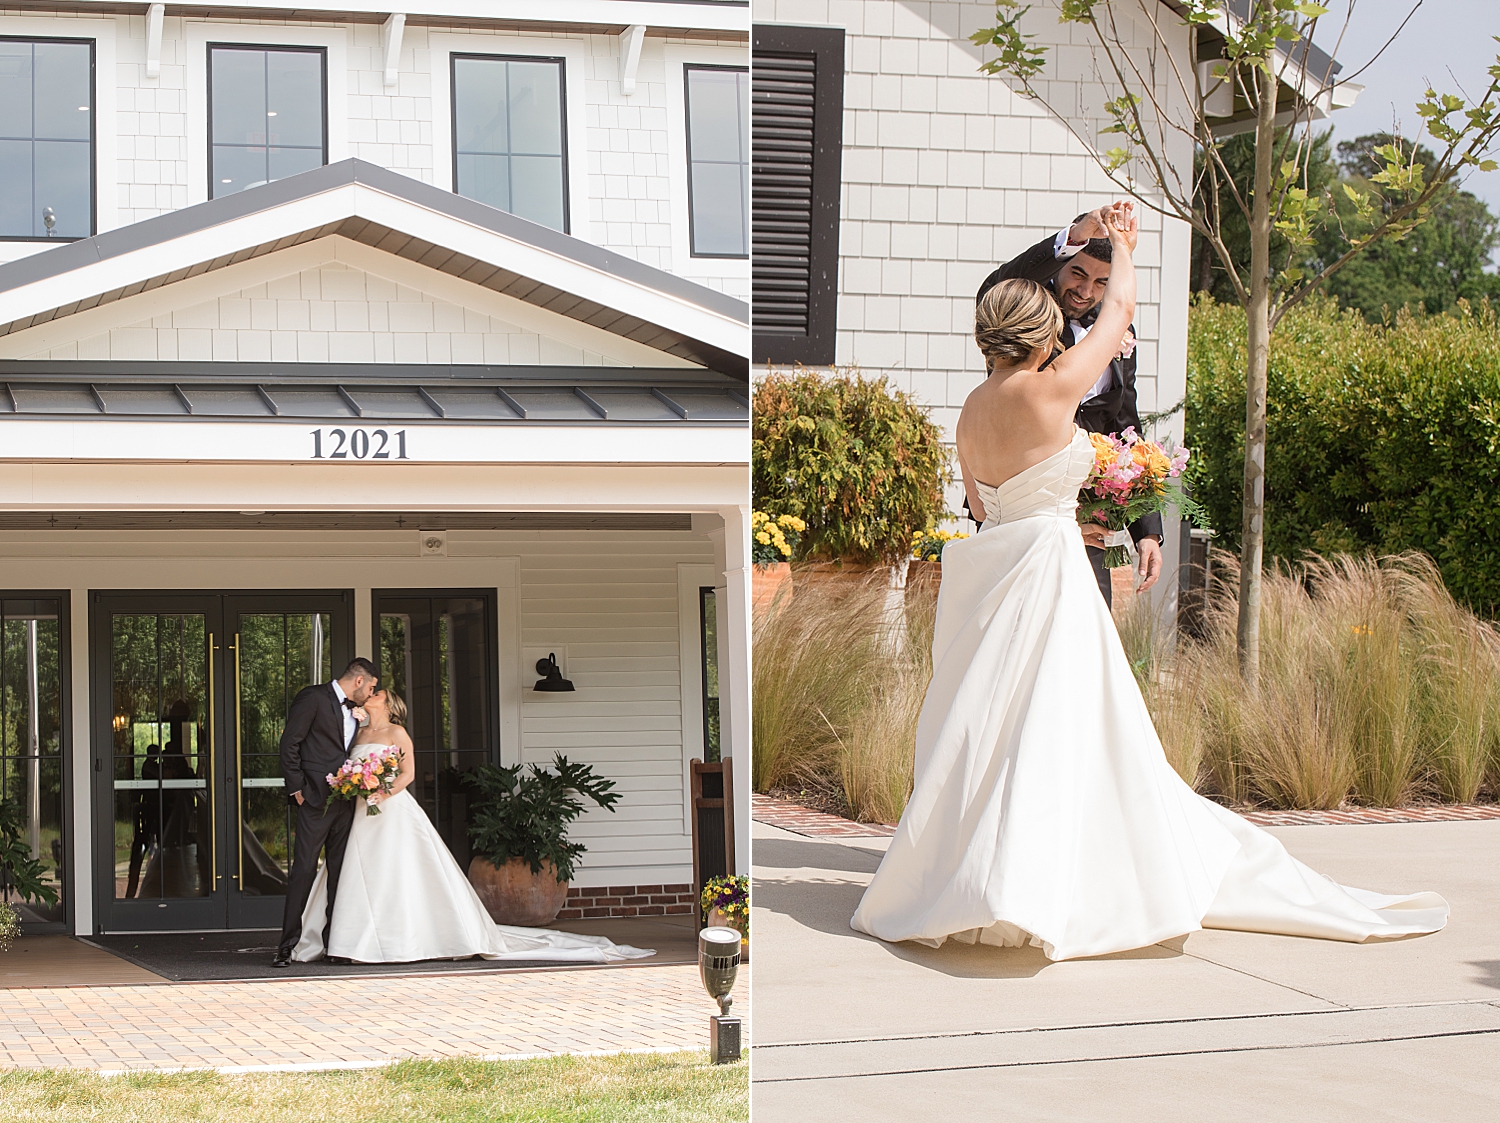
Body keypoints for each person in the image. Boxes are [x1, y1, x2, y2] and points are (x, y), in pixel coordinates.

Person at [850, 201, 1448, 961]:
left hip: (997, 579)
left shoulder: (971, 411)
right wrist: (1126, 248)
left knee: (995, 731)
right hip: (1053, 578)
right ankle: (1057, 881)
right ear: (1041, 337)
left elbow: (979, 503)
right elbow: (1121, 309)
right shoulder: (1053, 389)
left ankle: (987, 878)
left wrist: (1055, 507)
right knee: (1068, 728)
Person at [290, 687, 653, 964]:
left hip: (390, 810)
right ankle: (350, 940)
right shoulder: (357, 734)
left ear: (387, 703)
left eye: (377, 693)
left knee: (396, 872)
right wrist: (356, 784)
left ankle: (405, 938)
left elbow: (408, 773)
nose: (370, 695)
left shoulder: (398, 734)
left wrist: (381, 792)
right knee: (354, 873)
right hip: (359, 814)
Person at [974, 207, 1161, 606]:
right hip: (1044, 529)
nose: (1087, 290)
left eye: (1101, 282)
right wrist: (1097, 239)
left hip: (1083, 522)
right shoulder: (1044, 356)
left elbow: (1126, 426)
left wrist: (1147, 529)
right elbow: (1000, 288)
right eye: (1078, 273)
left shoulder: (972, 409)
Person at [273, 657, 380, 968]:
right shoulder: (313, 698)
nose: (371, 694)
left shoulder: (357, 713)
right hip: (315, 801)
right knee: (303, 871)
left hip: (347, 802)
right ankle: (286, 946)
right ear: (358, 681)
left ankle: (335, 944)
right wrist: (298, 790)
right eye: (371, 687)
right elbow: (289, 743)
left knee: (339, 875)